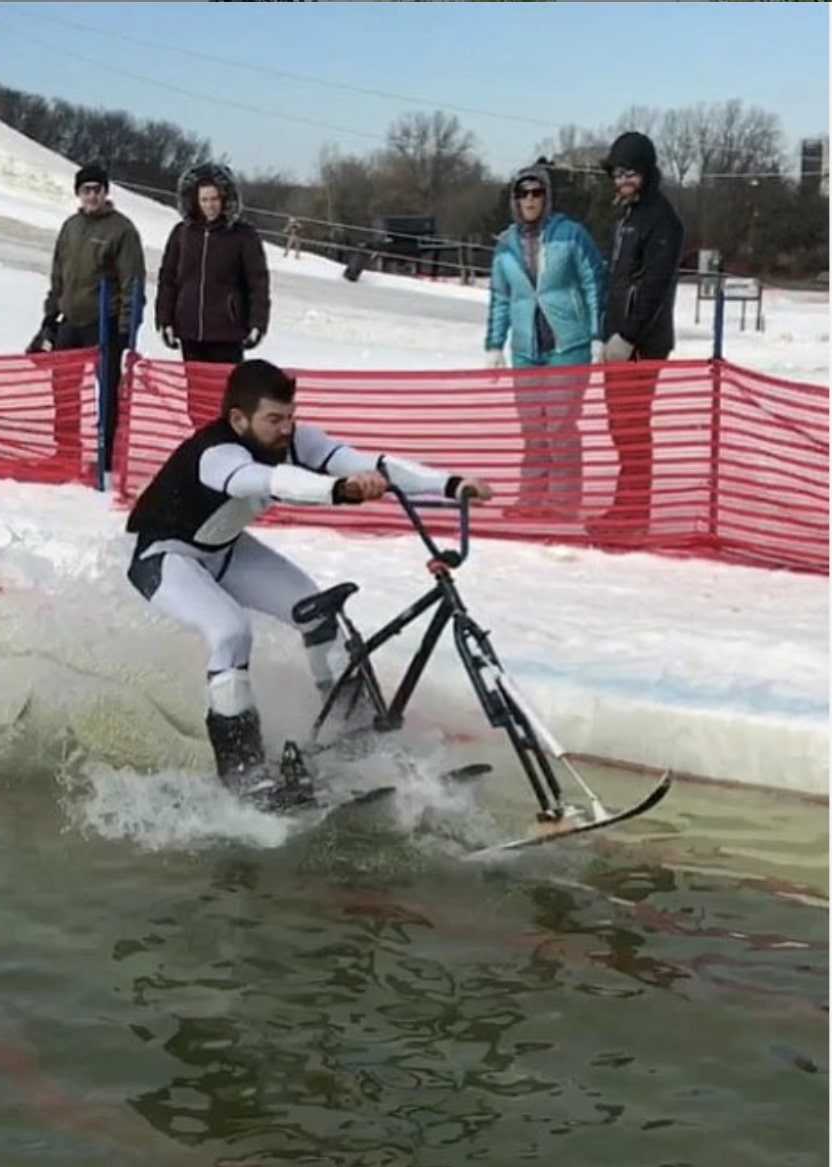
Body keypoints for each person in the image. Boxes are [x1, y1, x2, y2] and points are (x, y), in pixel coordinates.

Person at [125, 358, 494, 798]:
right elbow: (273, 480)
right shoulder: (216, 454)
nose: (286, 429)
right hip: (164, 557)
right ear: (239, 419)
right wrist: (339, 491)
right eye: (274, 419)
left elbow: (368, 463)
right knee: (229, 631)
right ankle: (243, 772)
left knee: (316, 613)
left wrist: (450, 484)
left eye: (290, 417)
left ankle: (353, 738)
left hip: (223, 551)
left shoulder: (296, 440)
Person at [483, 162, 605, 520]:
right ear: (514, 199)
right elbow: (501, 298)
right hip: (526, 349)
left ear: (547, 197)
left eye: (537, 192)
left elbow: (593, 285)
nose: (530, 199)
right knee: (532, 428)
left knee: (560, 427)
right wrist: (494, 344)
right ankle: (531, 498)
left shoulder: (571, 234)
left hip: (568, 345)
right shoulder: (505, 245)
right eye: (523, 193)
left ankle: (563, 503)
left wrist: (597, 334)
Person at [588, 130, 684, 538]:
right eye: (618, 173)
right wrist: (605, 332)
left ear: (647, 172)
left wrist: (628, 335)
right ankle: (625, 508)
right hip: (619, 339)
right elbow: (618, 282)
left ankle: (633, 516)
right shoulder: (626, 218)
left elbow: (654, 287)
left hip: (642, 342)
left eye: (631, 173)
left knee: (631, 427)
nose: (623, 180)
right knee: (619, 426)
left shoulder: (662, 220)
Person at [33, 163, 146, 468]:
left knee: (106, 392)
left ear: (106, 192)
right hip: (71, 321)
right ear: (78, 194)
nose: (92, 195)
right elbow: (59, 275)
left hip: (103, 324)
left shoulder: (121, 230)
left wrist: (125, 329)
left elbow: (132, 283)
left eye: (97, 189)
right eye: (86, 190)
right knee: (64, 389)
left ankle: (106, 457)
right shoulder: (71, 227)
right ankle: (67, 451)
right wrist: (50, 315)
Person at [155, 162, 270, 426]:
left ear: (225, 199)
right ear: (194, 201)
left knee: (227, 397)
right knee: (196, 398)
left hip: (227, 332)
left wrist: (257, 323)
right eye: (204, 199)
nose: (210, 205)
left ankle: (230, 448)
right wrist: (165, 319)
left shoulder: (243, 235)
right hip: (190, 331)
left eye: (215, 199)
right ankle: (202, 447)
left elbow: (258, 282)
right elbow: (168, 279)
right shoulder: (182, 233)